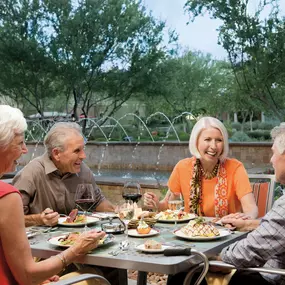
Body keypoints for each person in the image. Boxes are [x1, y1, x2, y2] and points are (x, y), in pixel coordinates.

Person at [0, 104, 106, 285]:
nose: (25, 149)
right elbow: (27, 275)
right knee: (96, 280)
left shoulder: (83, 171)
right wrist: (76, 249)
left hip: (22, 270)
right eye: (20, 143)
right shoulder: (7, 196)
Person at [144, 117, 258, 219]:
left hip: (227, 234)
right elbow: (168, 205)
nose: (213, 146)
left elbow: (251, 209)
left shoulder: (235, 168)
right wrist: (156, 204)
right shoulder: (182, 167)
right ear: (196, 142)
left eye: (219, 140)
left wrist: (247, 218)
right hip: (191, 235)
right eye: (207, 139)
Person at [12, 122, 115, 227]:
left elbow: (98, 202)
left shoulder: (83, 170)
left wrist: (119, 211)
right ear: (56, 153)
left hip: (74, 237)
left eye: (83, 149)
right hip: (39, 240)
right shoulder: (30, 174)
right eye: (77, 151)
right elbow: (10, 218)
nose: (83, 156)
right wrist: (39, 219)